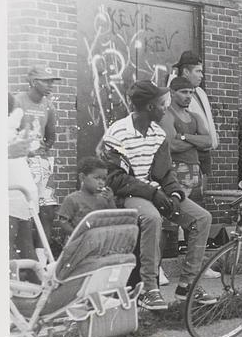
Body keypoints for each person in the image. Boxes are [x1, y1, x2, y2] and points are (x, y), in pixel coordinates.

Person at [99, 80, 215, 311]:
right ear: (150, 107)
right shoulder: (117, 132)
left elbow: (165, 173)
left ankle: (188, 284)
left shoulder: (158, 133)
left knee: (202, 218)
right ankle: (149, 288)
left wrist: (174, 193)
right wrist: (154, 193)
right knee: (152, 218)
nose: (165, 108)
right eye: (162, 104)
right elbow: (115, 179)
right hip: (128, 194)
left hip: (154, 192)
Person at [160, 77, 226, 278]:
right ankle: (158, 268)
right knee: (168, 219)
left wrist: (184, 137)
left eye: (191, 92)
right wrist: (195, 141)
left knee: (197, 219)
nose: (188, 96)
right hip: (175, 170)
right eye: (184, 92)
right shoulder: (167, 115)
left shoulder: (195, 117)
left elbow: (208, 141)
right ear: (172, 92)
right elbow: (172, 145)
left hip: (194, 171)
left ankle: (196, 266)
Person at [14, 66, 62, 252]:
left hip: (41, 164)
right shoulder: (18, 101)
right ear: (34, 82)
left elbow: (51, 136)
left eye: (52, 81)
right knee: (25, 211)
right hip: (22, 162)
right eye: (46, 81)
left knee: (48, 211)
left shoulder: (48, 105)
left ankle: (44, 259)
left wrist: (43, 151)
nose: (51, 85)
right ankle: (26, 259)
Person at [169, 51, 219, 196]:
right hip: (187, 156)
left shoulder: (201, 93)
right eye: (198, 71)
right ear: (185, 71)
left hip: (204, 153)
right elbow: (174, 138)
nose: (201, 75)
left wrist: (209, 138)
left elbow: (205, 131)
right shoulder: (173, 93)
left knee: (202, 195)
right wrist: (199, 141)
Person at [9, 92, 40, 262]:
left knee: (20, 242)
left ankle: (31, 284)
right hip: (14, 184)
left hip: (17, 185)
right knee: (16, 242)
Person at [57, 157, 116, 239]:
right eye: (97, 178)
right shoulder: (72, 199)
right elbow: (63, 222)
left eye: (103, 179)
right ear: (82, 177)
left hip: (100, 239)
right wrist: (76, 234)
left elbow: (114, 218)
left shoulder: (104, 199)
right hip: (80, 241)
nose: (101, 182)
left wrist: (110, 201)